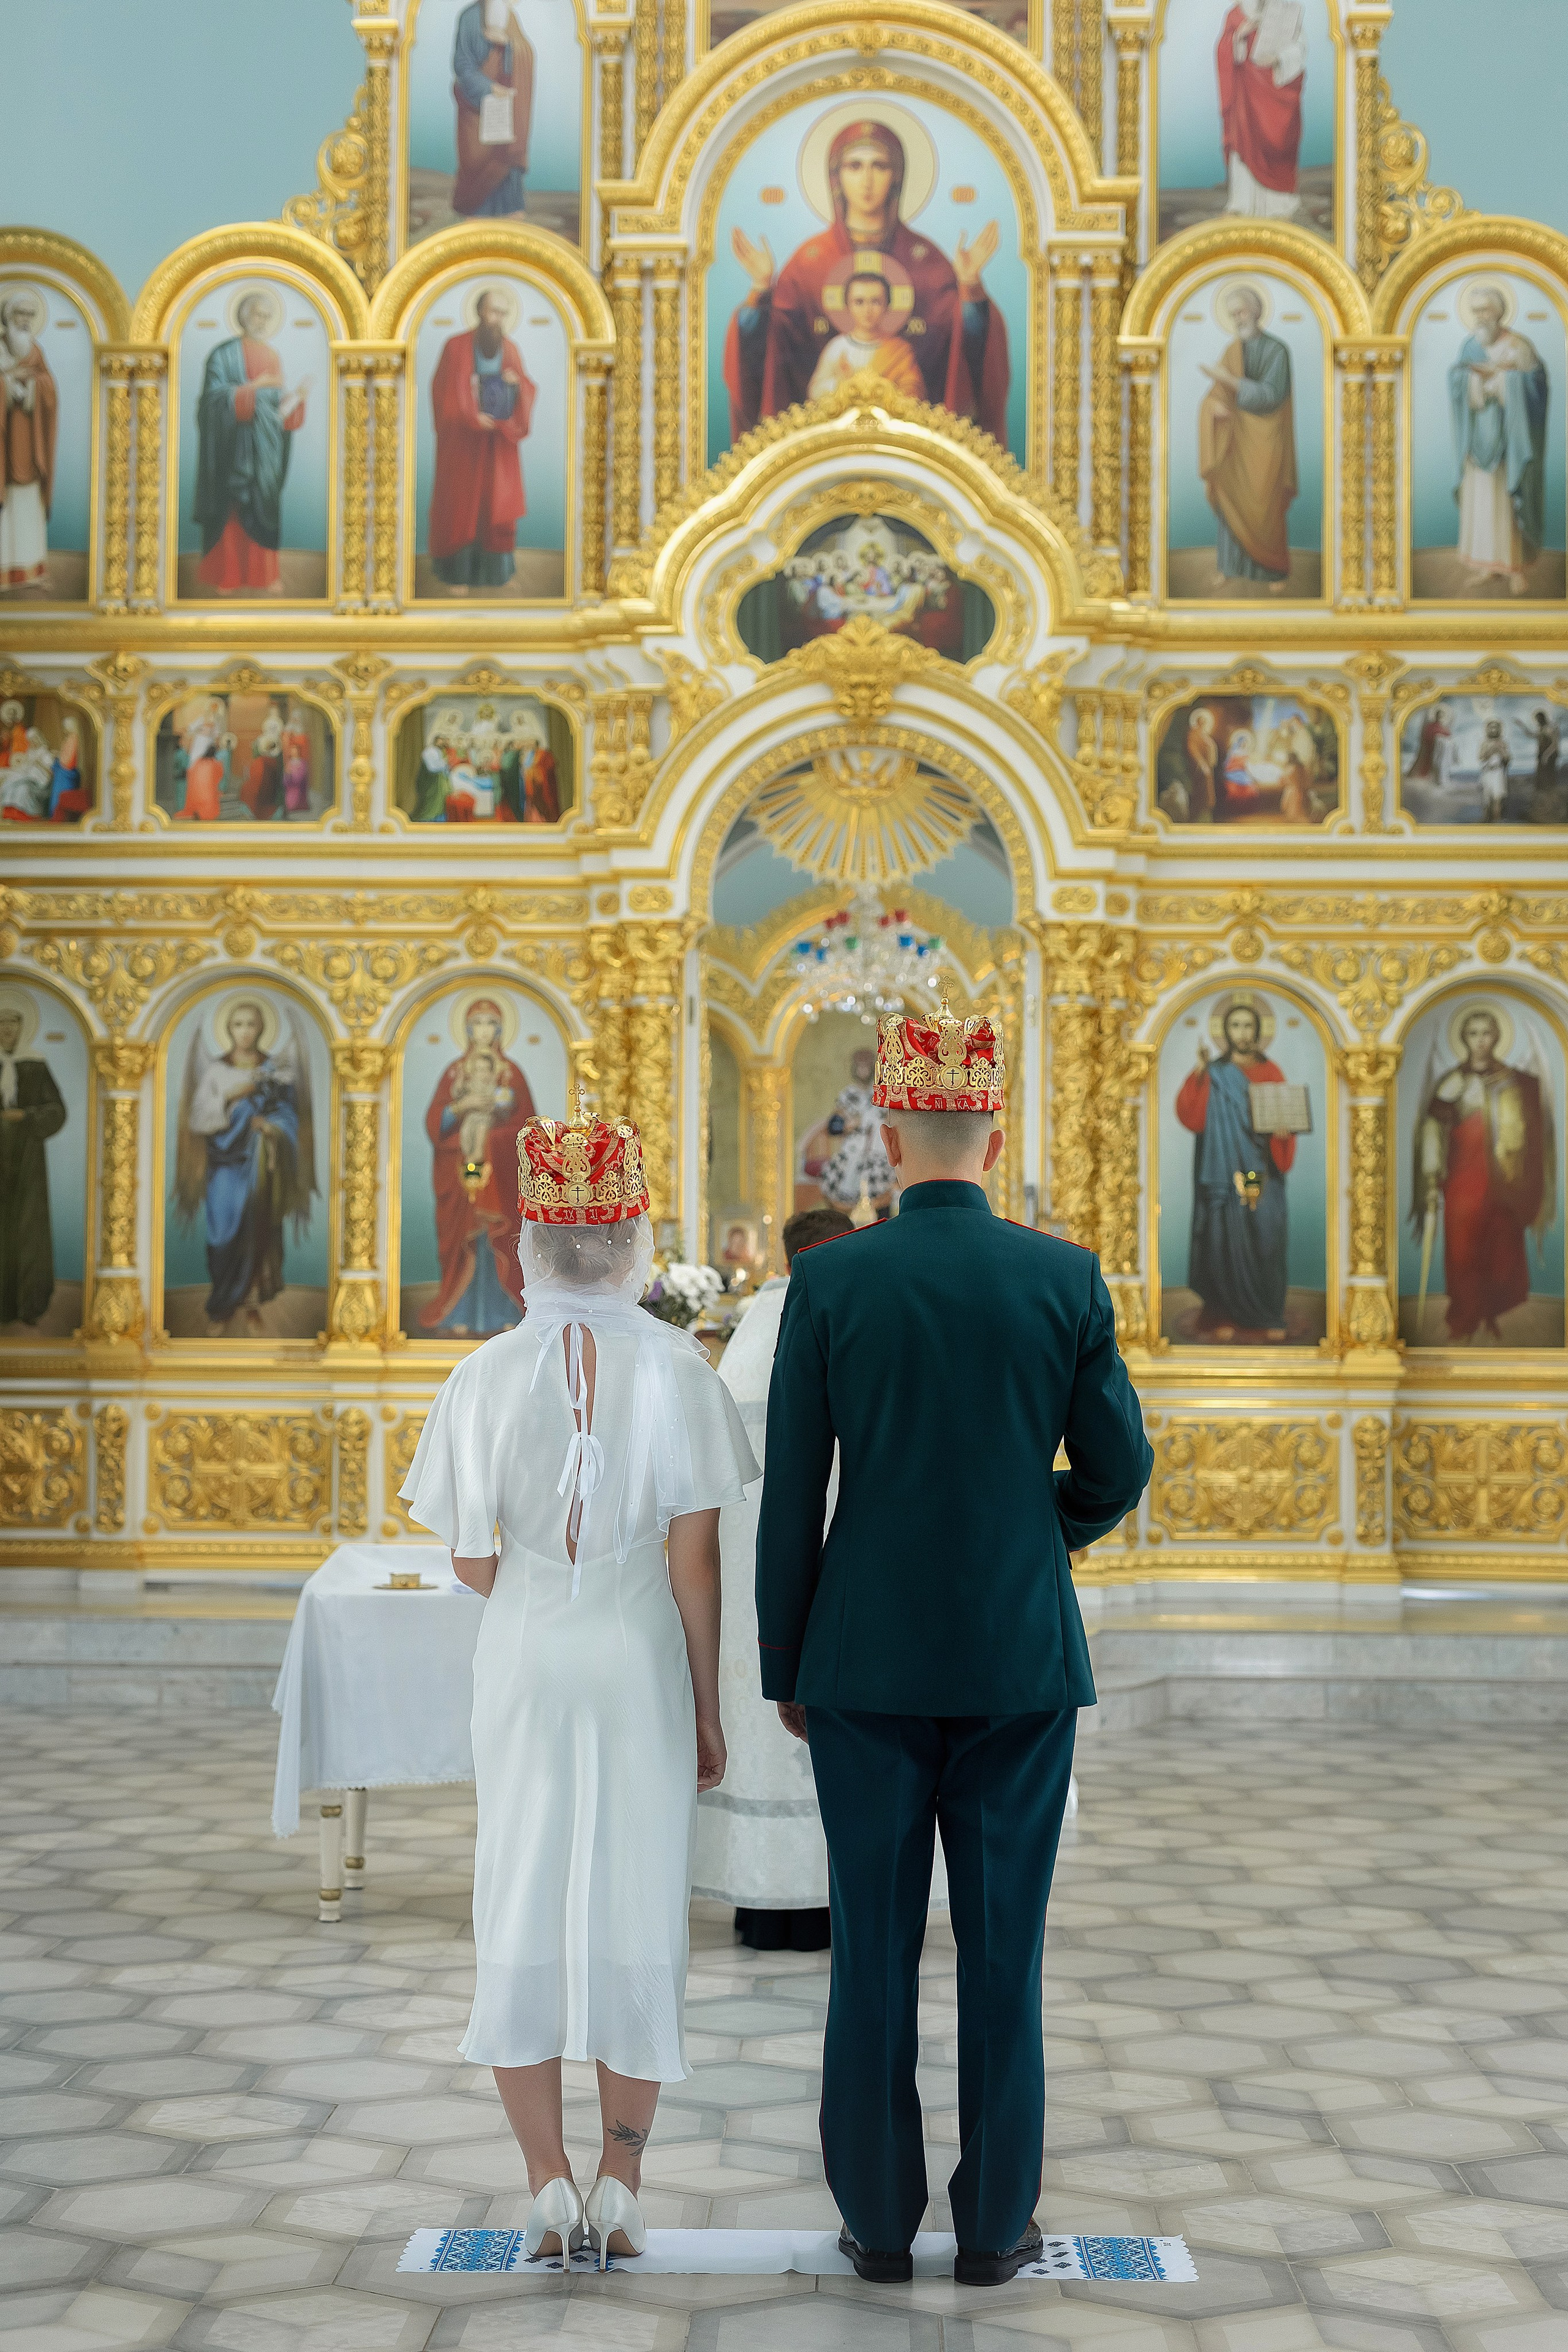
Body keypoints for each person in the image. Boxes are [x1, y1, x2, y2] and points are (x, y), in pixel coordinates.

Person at [756, 1003, 1152, 2288]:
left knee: (868, 1947)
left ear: (886, 1122)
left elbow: (790, 1500)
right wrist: (1034, 1532)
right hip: (1013, 1658)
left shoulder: (828, 1281)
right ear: (992, 1126)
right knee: (1002, 1951)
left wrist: (784, 1665)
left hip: (861, 1664)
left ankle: (875, 2224)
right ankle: (992, 2230)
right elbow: (1118, 1467)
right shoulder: (1061, 1277)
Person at [401, 1114, 758, 2267]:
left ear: (529, 1250)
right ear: (636, 1248)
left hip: (527, 1654)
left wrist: (537, 1601)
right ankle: (624, 2183)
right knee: (636, 1901)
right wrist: (706, 1706)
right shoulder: (679, 1371)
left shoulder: (480, 1373)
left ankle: (547, 2185)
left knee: (521, 1892)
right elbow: (693, 1563)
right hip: (639, 1656)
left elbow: (465, 1555)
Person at [697, 1205, 853, 1954]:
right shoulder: (846, 1319)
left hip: (756, 1589)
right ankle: (827, 1901)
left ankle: (762, 1899)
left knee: (765, 1725)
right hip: (835, 1573)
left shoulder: (745, 1345)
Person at [726, 118, 1009, 446]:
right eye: (854, 166)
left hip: (912, 447)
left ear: (896, 176)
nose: (867, 180)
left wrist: (971, 290)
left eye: (880, 166)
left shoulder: (928, 261)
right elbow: (770, 349)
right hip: (820, 446)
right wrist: (760, 291)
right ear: (837, 177)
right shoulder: (808, 263)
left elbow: (965, 350)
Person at [173, 998, 316, 1336]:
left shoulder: (277, 1072)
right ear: (228, 1029)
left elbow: (291, 1117)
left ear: (261, 1029)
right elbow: (198, 1119)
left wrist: (272, 1127)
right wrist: (232, 1095)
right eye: (238, 1024)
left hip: (260, 1166)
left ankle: (250, 1303)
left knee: (257, 1230)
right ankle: (222, 1305)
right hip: (224, 1165)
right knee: (221, 1236)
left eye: (251, 1024)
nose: (245, 1032)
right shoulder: (216, 1072)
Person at [1415, 1008, 1554, 1343]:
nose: (1480, 1041)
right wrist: (1432, 1172)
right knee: (1463, 1248)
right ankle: (1465, 1315)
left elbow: (1534, 1133)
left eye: (1487, 1033)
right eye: (1473, 1033)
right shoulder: (1453, 1081)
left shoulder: (1515, 1081)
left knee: (1501, 1246)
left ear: (1497, 1038)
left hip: (1505, 1182)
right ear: (1464, 1038)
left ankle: (1492, 1311)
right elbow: (1433, 1129)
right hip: (1464, 1179)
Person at [1175, 994, 1295, 1341]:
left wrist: (1283, 1134)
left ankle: (1267, 1314)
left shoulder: (1271, 1072)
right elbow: (1193, 1118)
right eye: (1235, 1026)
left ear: (1258, 1031)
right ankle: (1222, 1314)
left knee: (1266, 1234)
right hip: (1222, 1171)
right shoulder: (1213, 1072)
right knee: (1222, 1237)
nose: (1242, 1033)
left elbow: (1284, 1117)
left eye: (1248, 1026)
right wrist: (1199, 1072)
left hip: (1261, 1168)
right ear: (1225, 1031)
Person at [419, 998, 533, 1335]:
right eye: (478, 1023)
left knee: (500, 1238)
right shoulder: (454, 1074)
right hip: (458, 1170)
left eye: (490, 1023)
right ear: (468, 1029)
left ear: (500, 1029)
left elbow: (529, 1130)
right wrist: (461, 1108)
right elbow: (434, 1123)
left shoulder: (512, 1075)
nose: (484, 1030)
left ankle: (504, 1314)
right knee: (462, 1240)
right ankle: (459, 1313)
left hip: (499, 1176)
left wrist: (493, 1135)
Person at [192, 289, 311, 596]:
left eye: (266, 316)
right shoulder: (223, 355)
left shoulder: (272, 356)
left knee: (264, 507)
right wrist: (252, 390)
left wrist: (294, 402)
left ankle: (264, 576)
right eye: (257, 314)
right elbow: (211, 403)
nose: (261, 321)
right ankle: (227, 576)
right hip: (232, 449)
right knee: (233, 510)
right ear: (244, 316)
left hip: (264, 451)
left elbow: (275, 410)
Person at [428, 290, 536, 594]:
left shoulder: (510, 349)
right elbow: (444, 393)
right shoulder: (456, 346)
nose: (498, 319)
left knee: (496, 504)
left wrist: (516, 386)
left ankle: (498, 574)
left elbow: (524, 387)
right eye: (493, 312)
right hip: (464, 443)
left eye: (503, 313)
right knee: (462, 504)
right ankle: (456, 575)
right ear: (479, 312)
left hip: (498, 444)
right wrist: (472, 417)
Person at [1449, 287, 1547, 595]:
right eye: (1476, 311)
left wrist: (1507, 381)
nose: (1480, 318)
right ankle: (1487, 566)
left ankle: (1515, 569)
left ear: (1499, 312)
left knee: (1507, 501)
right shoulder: (1470, 345)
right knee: (1482, 501)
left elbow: (1536, 388)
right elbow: (1457, 380)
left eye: (1485, 311)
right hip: (1478, 438)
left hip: (1510, 441)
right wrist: (1475, 380)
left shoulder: (1519, 346)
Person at [1199, 283, 1295, 591]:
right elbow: (1218, 395)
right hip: (1235, 442)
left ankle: (1273, 571)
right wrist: (1214, 407)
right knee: (1231, 500)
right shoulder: (1233, 350)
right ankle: (1229, 568)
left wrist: (1230, 381)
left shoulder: (1277, 350)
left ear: (1255, 311)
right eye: (1231, 315)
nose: (1237, 320)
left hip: (1266, 441)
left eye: (1240, 312)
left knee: (1266, 505)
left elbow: (1271, 396)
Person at [0, 991, 67, 1329]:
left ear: (22, 1028)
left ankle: (30, 1305)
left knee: (27, 1229)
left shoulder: (35, 1064)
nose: (6, 1031)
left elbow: (57, 1111)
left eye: (12, 1025)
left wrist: (25, 1116)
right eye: (1, 1025)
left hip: (26, 1159)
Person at [1218, 0, 1306, 221]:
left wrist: (1279, 58)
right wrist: (1240, 35)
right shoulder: (1237, 13)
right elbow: (1223, 50)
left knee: (1280, 138)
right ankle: (1242, 202)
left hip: (1276, 86)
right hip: (1246, 91)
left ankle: (1277, 203)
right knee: (1245, 140)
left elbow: (1300, 47)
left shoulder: (1286, 10)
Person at [451, 0, 533, 219]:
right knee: (478, 161)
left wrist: (508, 43)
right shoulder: (469, 18)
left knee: (506, 156)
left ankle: (510, 207)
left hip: (507, 104)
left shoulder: (511, 18)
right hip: (476, 106)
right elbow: (462, 63)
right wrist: (488, 88)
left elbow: (525, 50)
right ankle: (478, 211)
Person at [0, 291, 58, 593]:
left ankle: (29, 571)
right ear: (7, 317)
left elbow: (49, 390)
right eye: (19, 314)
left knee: (25, 507)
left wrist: (33, 385)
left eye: (29, 315)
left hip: (27, 442)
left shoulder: (34, 351)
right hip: (2, 446)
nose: (24, 320)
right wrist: (7, 383)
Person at [805, 271, 926, 403]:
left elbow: (913, 393)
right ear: (848, 306)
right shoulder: (837, 347)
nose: (867, 310)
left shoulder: (900, 351)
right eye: (859, 302)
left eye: (876, 302)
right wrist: (841, 382)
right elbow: (815, 392)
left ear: (887, 306)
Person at [1477, 717, 1512, 821]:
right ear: (1488, 729)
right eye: (1491, 728)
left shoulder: (1503, 743)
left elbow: (1507, 759)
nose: (1493, 730)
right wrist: (1492, 749)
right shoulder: (1485, 743)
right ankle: (1487, 820)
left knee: (1498, 798)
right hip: (1488, 772)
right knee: (1487, 799)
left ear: (1499, 730)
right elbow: (1481, 757)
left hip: (1498, 772)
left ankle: (1497, 821)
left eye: (1496, 728)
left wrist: (1501, 751)